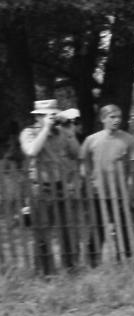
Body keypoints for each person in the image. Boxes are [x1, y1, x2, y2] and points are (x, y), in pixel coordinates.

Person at [20, 100, 83, 274]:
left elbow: (78, 153)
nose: (52, 118)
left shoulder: (62, 132)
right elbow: (31, 151)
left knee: (67, 229)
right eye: (48, 115)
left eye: (54, 115)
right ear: (38, 117)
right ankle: (45, 272)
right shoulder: (29, 133)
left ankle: (71, 268)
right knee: (42, 231)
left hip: (62, 186)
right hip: (40, 188)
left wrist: (70, 132)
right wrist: (45, 129)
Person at [80, 103, 134, 262]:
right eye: (112, 117)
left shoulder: (128, 139)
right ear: (102, 119)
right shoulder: (91, 140)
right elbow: (83, 162)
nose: (116, 120)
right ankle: (93, 260)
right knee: (97, 226)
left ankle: (125, 258)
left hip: (120, 191)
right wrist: (87, 179)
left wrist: (130, 185)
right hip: (97, 190)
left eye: (119, 117)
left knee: (124, 224)